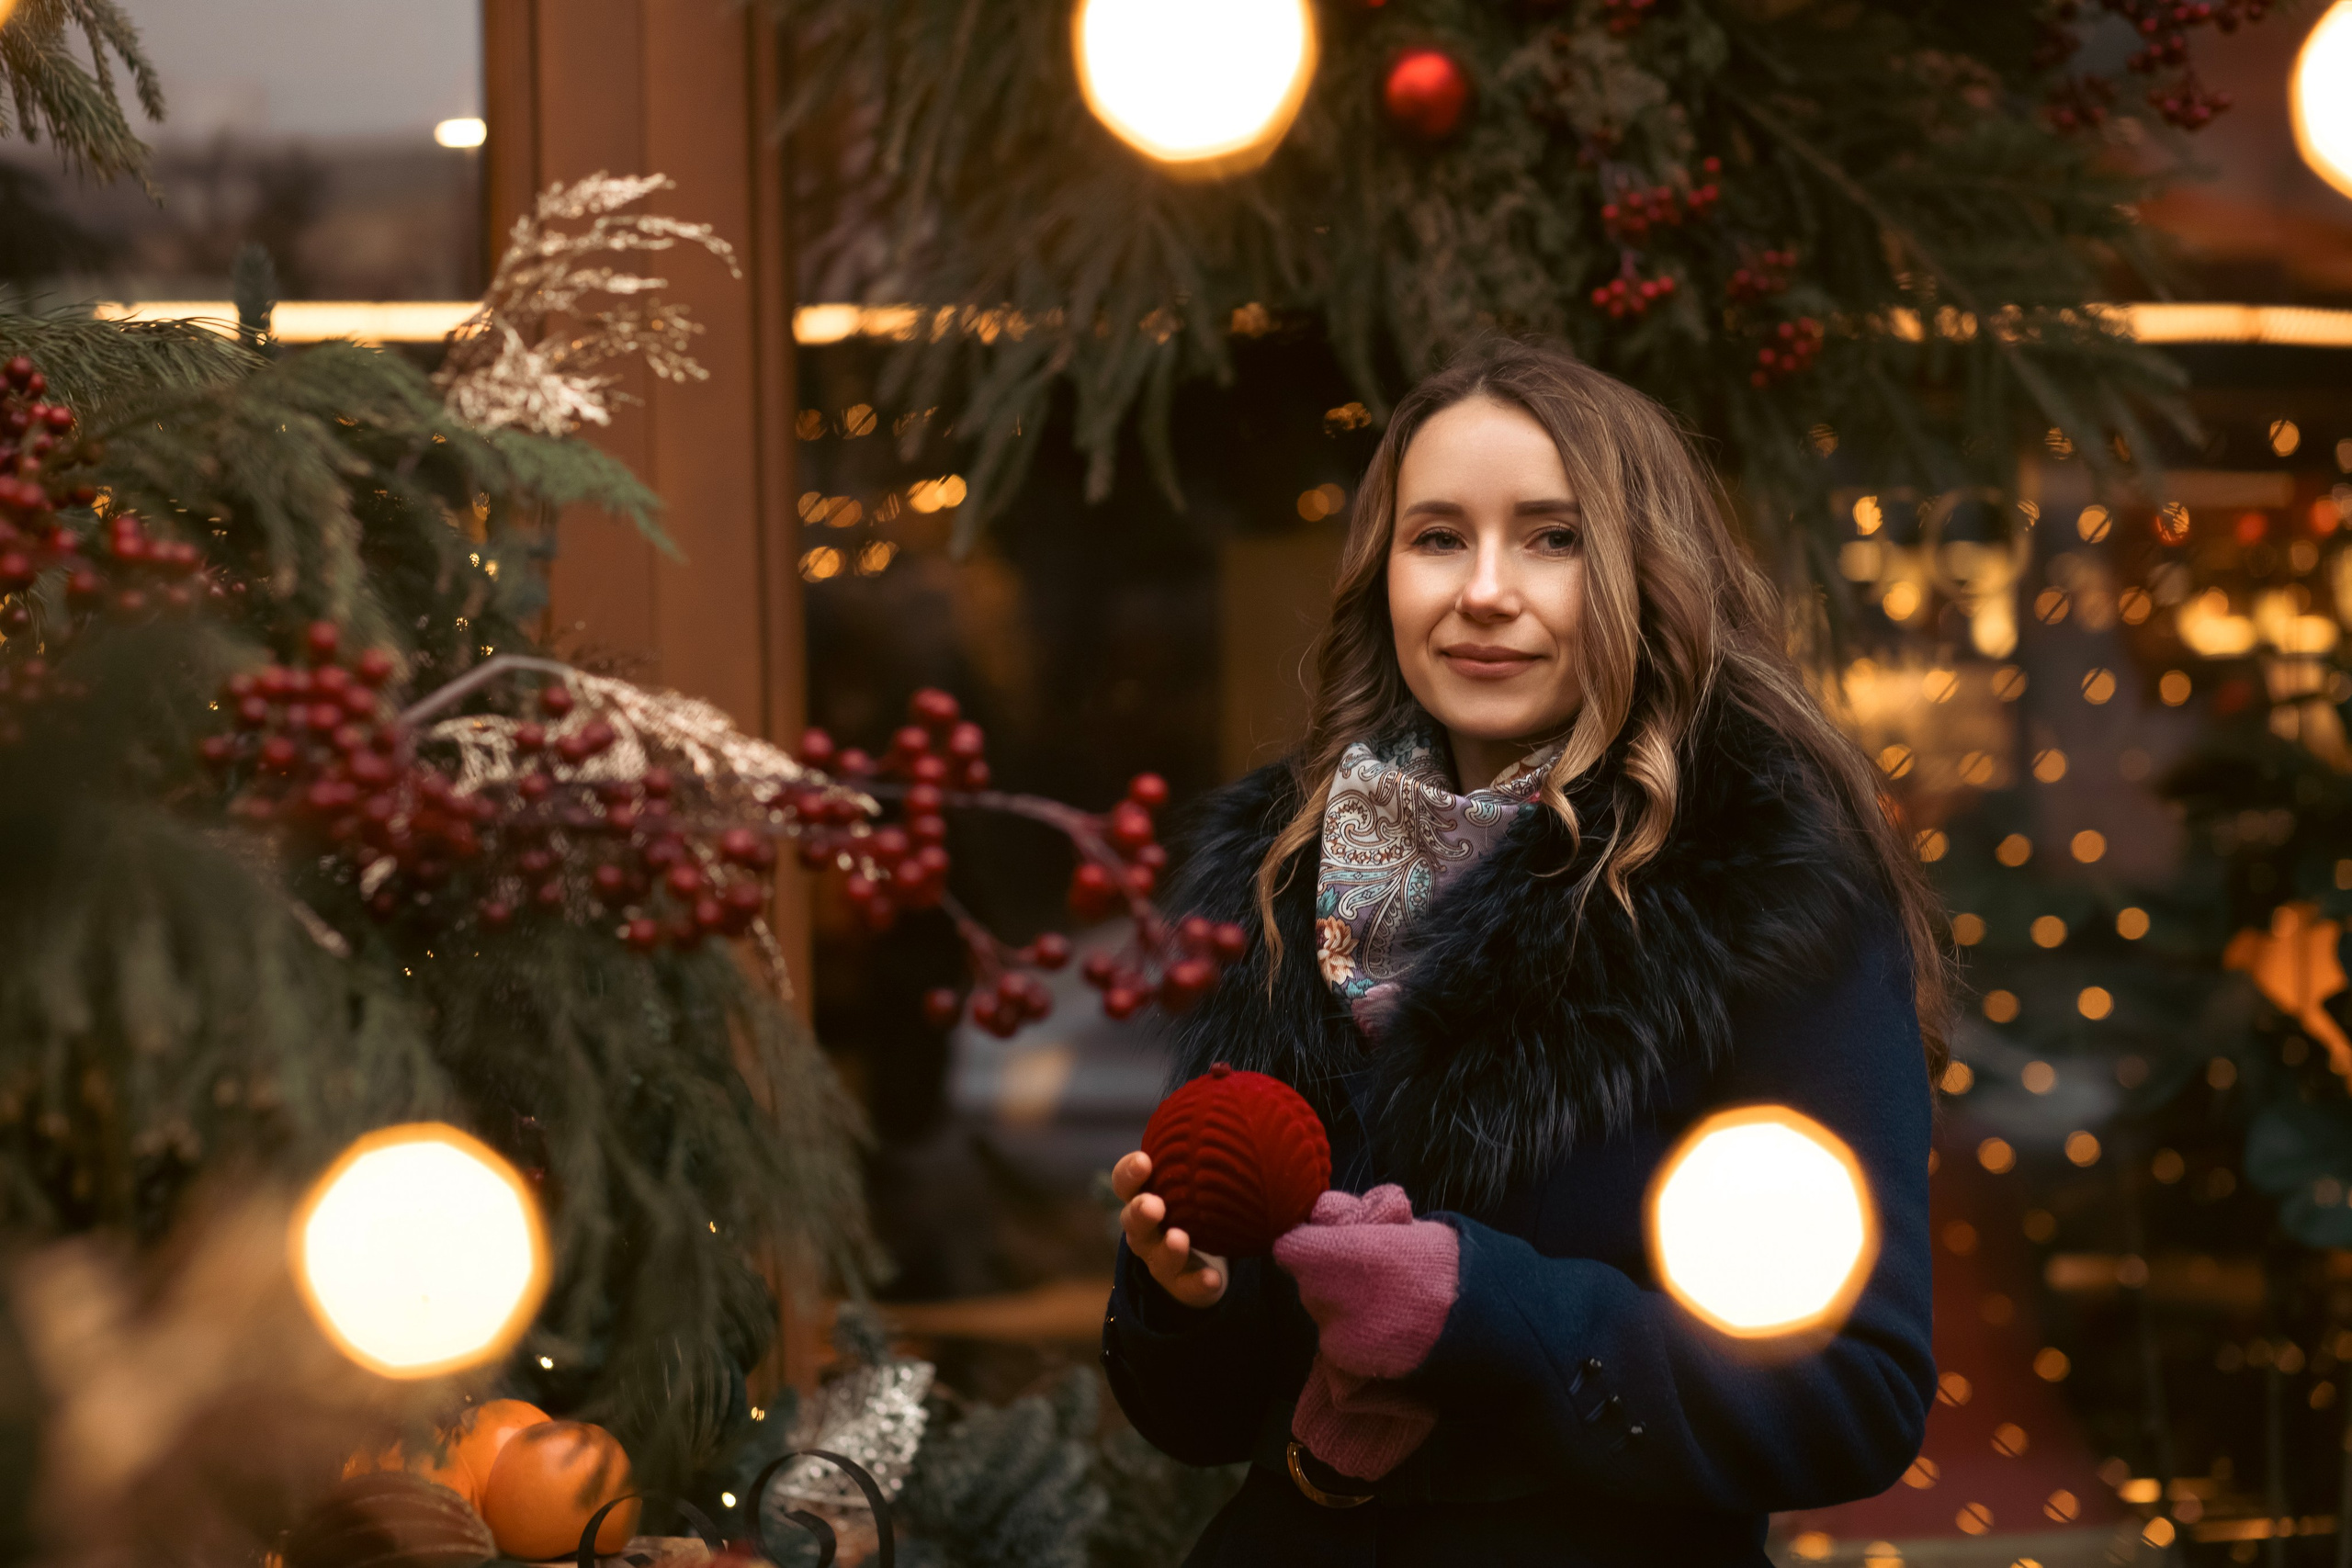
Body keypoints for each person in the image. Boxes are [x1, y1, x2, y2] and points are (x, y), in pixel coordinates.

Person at [1100, 337, 1945, 1566]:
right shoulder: (1282, 875)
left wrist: (1483, 1306)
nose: (1483, 590)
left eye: (1553, 539)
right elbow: (1202, 1422)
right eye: (1437, 537)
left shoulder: (1758, 896)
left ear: (1646, 573)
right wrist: (1186, 1300)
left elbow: (1851, 1400)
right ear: (1382, 573)